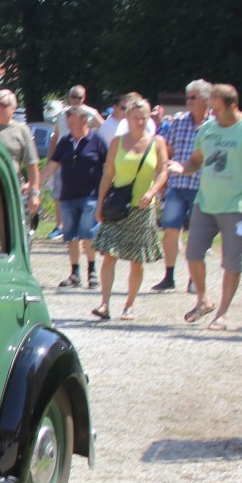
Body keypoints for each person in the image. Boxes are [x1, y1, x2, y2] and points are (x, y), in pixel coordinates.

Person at [173, 83, 242, 331]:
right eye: (211, 109)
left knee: (232, 261)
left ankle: (222, 313)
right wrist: (183, 168)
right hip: (205, 202)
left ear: (233, 106)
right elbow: (197, 159)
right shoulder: (207, 128)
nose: (212, 114)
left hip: (238, 204)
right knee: (193, 253)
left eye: (217, 110)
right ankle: (203, 300)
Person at [91, 98, 169, 321]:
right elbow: (108, 174)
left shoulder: (158, 142)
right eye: (135, 117)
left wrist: (152, 191)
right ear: (127, 118)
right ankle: (104, 304)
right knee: (109, 255)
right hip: (117, 207)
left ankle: (129, 305)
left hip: (143, 209)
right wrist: (100, 204)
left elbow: (163, 171)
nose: (140, 121)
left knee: (137, 260)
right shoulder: (117, 142)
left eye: (144, 117)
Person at [151, 79, 212, 292]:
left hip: (201, 187)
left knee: (197, 234)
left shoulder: (214, 126)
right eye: (188, 97)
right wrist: (163, 180)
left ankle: (194, 278)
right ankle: (169, 276)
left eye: (193, 97)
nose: (189, 101)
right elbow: (167, 151)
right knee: (170, 229)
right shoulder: (179, 122)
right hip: (177, 184)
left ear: (206, 100)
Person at [44, 106, 110, 289]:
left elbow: (109, 167)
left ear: (84, 121)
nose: (70, 126)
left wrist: (109, 190)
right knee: (71, 235)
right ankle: (75, 273)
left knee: (87, 233)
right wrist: (34, 184)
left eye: (72, 122)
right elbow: (52, 166)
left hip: (90, 196)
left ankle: (92, 271)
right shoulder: (65, 141)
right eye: (68, 123)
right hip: (68, 196)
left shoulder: (96, 141)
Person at [0, 89, 41, 223]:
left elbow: (32, 164)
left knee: (10, 225)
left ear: (13, 108)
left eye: (2, 105)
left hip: (11, 187)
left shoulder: (22, 130)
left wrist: (34, 193)